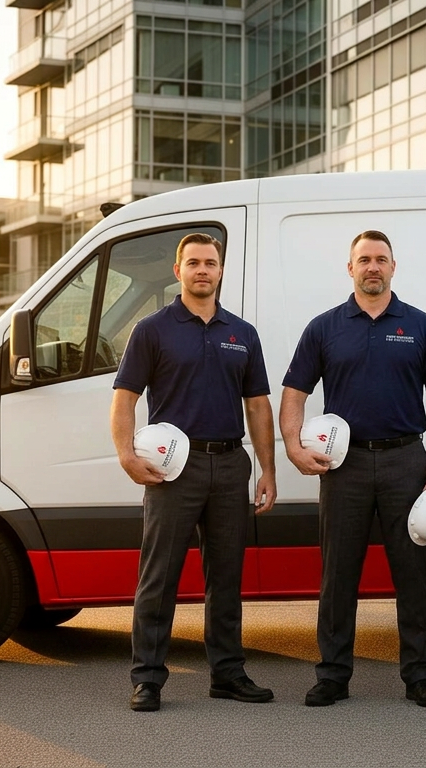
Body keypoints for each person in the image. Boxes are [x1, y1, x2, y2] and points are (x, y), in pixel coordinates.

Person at [280, 230, 426, 708]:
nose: (372, 267)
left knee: (413, 575)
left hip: (407, 463)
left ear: (393, 267)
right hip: (345, 466)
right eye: (364, 260)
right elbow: (294, 392)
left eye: (381, 259)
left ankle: (420, 676)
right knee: (338, 575)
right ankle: (333, 675)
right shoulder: (324, 327)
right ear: (350, 268)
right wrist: (294, 448)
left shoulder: (422, 326)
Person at [111, 233, 278, 713]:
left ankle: (227, 674)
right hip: (171, 471)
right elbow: (124, 398)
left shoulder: (242, 333)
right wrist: (126, 455)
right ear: (178, 271)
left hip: (229, 464)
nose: (202, 270)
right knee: (159, 577)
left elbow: (258, 405)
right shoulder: (152, 330)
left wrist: (266, 469)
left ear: (221, 271)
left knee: (226, 577)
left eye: (211, 263)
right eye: (193, 263)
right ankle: (147, 679)